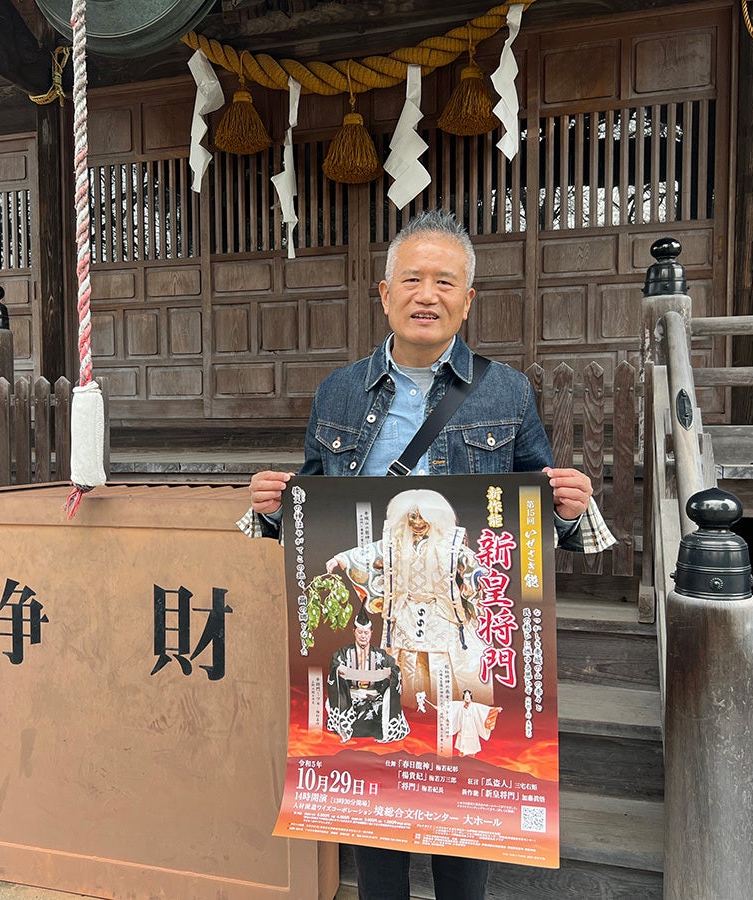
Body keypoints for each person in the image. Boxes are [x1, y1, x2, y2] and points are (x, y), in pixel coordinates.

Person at [241, 208, 615, 900]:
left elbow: (530, 511)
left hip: (457, 630)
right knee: (377, 800)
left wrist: (568, 507)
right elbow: (315, 514)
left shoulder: (506, 391)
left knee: (464, 801)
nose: (427, 295)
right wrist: (273, 509)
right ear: (384, 294)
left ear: (467, 301)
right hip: (381, 625)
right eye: (411, 279)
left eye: (445, 282)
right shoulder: (338, 392)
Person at [326, 489, 493, 709]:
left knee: (441, 658)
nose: (417, 522)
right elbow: (370, 554)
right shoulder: (396, 542)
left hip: (440, 611)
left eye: (423, 517)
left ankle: (445, 706)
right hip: (407, 609)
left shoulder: (448, 543)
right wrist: (341, 559)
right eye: (412, 517)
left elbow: (469, 563)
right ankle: (410, 706)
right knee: (408, 659)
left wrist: (479, 576)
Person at [326, 603, 409, 743]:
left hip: (373, 698)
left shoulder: (380, 655)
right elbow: (334, 667)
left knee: (383, 711)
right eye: (360, 632)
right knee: (341, 708)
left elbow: (395, 669)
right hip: (351, 698)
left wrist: (391, 673)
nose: (363, 636)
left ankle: (378, 729)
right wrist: (338, 671)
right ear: (354, 632)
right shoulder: (344, 654)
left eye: (366, 633)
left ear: (371, 632)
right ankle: (348, 728)